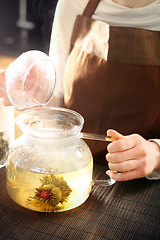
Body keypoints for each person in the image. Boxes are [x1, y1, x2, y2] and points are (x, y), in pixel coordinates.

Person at [1, 0, 160, 182]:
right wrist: (33, 94)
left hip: (147, 185)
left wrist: (156, 153)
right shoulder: (73, 3)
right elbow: (56, 99)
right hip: (71, 171)